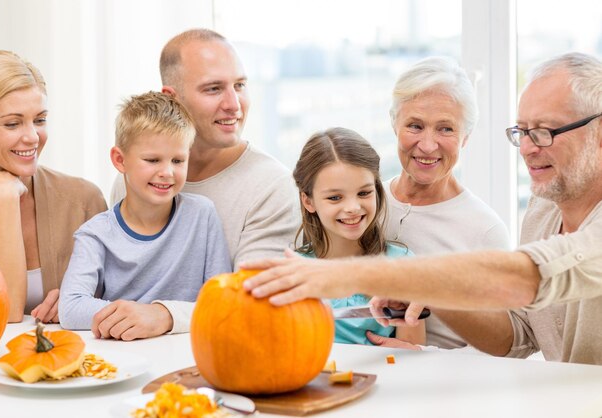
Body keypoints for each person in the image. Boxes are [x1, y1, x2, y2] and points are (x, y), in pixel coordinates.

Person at [241, 52, 602, 366]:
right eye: (522, 132)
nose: (526, 148)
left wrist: (347, 276)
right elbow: (519, 336)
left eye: (546, 131)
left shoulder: (490, 228)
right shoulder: (542, 210)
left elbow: (531, 276)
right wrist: (432, 294)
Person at [110, 28, 300, 269]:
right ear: (172, 98)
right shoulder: (135, 178)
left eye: (239, 85)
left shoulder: (273, 187)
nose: (234, 105)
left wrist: (163, 309)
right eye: (214, 88)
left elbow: (251, 298)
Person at [59, 92, 231, 340]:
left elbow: (223, 303)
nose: (167, 172)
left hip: (187, 352)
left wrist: (159, 315)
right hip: (122, 353)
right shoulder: (95, 233)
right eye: (152, 160)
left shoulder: (202, 215)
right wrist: (135, 316)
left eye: (178, 160)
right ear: (120, 160)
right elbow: (71, 308)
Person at [375, 56, 510, 349]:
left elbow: (504, 350)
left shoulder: (484, 231)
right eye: (415, 125)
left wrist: (420, 355)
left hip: (445, 388)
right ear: (394, 123)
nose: (427, 145)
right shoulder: (364, 207)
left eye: (445, 129)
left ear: (466, 137)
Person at [0, 50, 106, 323]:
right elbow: (2, 314)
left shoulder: (84, 202)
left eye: (40, 120)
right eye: (13, 123)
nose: (33, 137)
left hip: (74, 361)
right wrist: (4, 201)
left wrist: (80, 304)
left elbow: (120, 296)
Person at [292, 127, 424, 347]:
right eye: (335, 197)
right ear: (308, 201)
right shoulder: (294, 270)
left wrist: (408, 353)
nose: (353, 208)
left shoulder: (403, 265)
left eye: (364, 193)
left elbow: (412, 351)